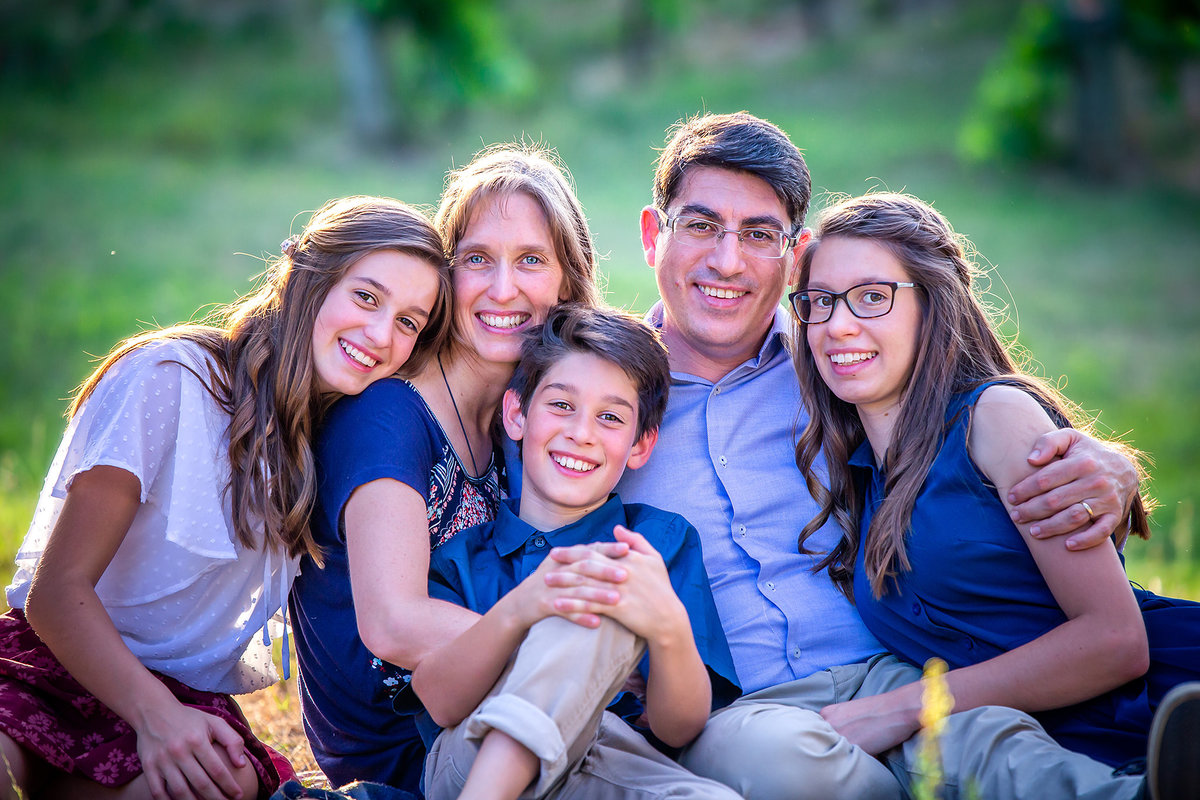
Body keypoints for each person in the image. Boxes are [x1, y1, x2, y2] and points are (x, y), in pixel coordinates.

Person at [610, 111, 1149, 799]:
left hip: (891, 671)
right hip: (744, 709)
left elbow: (966, 413)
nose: (727, 260)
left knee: (988, 745)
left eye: (759, 235)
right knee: (787, 764)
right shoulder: (605, 395)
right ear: (655, 235)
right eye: (701, 225)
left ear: (794, 252)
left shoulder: (837, 363)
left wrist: (1108, 461)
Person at [0, 196, 452, 800]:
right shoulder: (172, 378)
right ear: (305, 280)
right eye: (366, 296)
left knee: (221, 783)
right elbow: (55, 595)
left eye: (408, 322)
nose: (379, 333)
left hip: (182, 699)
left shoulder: (327, 444)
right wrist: (156, 718)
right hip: (55, 664)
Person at [791, 191, 1200, 792]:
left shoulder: (994, 419)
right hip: (1054, 750)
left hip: (1168, 705)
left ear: (933, 306)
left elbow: (1115, 641)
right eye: (820, 301)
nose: (838, 324)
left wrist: (905, 706)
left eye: (873, 297)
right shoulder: (861, 476)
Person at [290, 144, 607, 793]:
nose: (502, 289)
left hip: (508, 711)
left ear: (567, 283)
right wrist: (570, 643)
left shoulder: (526, 427)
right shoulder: (388, 414)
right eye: (478, 260)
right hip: (412, 751)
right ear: (445, 276)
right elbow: (394, 622)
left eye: (530, 261)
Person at [412, 302, 742, 800]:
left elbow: (679, 730)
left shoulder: (658, 543)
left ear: (640, 445)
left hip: (609, 756)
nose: (581, 433)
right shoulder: (462, 558)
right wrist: (524, 608)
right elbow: (437, 702)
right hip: (469, 758)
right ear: (517, 413)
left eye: (610, 417)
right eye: (562, 405)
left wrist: (667, 627)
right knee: (598, 585)